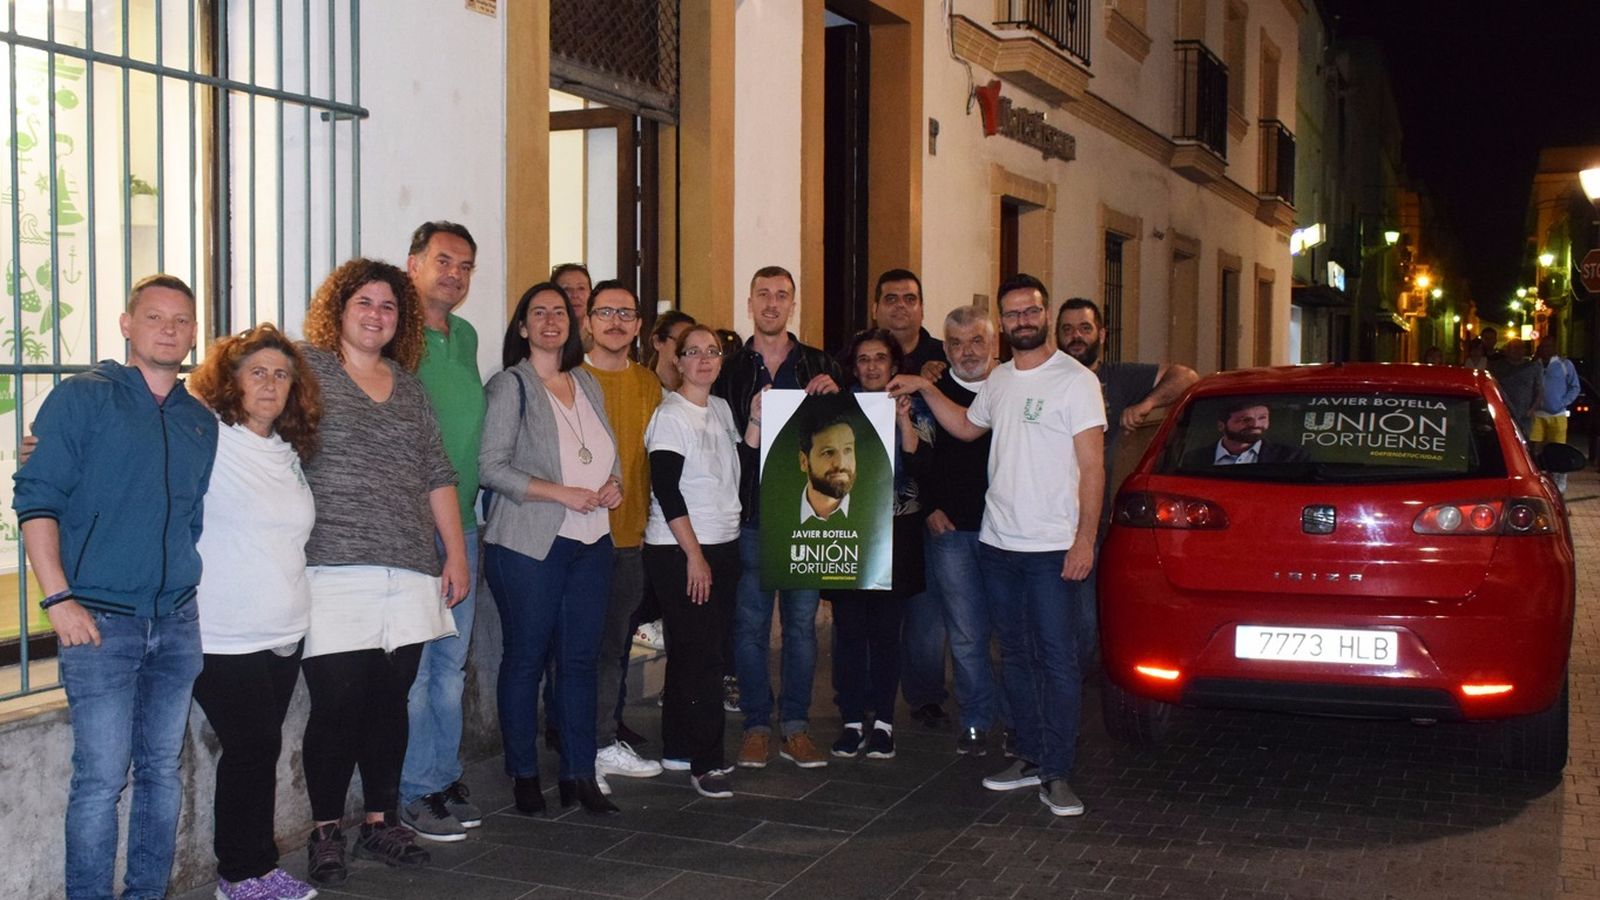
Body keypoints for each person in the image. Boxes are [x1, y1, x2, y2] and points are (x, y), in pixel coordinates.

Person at [14, 274, 219, 899]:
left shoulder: (198, 420)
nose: (169, 329)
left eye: (181, 320)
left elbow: (190, 518)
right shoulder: (82, 398)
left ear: (193, 333)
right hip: (100, 623)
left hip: (177, 622)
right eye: (155, 317)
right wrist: (59, 599)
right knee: (102, 779)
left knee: (163, 773)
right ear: (127, 324)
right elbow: (36, 502)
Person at [890, 273, 1105, 818]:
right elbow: (965, 427)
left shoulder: (1075, 381)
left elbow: (1093, 467)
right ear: (1005, 324)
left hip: (1054, 548)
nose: (1022, 321)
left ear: (1045, 312)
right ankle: (1029, 756)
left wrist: (1084, 540)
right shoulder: (1002, 380)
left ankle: (1057, 770)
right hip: (998, 544)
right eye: (1012, 315)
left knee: (1057, 660)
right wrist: (922, 388)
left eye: (1030, 311)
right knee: (1014, 656)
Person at [297, 258, 469, 885]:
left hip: (410, 570)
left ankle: (380, 822)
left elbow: (437, 474)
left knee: (389, 704)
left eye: (389, 306)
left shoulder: (410, 386)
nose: (376, 315)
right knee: (337, 704)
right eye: (364, 303)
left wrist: (454, 552)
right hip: (332, 569)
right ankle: (323, 833)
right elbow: (236, 402)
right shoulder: (306, 370)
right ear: (338, 309)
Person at [187, 324, 322, 900]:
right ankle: (241, 875)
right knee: (252, 747)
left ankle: (257, 869)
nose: (270, 384)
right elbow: (135, 443)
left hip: (282, 631)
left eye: (281, 374)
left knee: (261, 748)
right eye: (257, 372)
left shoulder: (286, 450)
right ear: (230, 380)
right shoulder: (205, 435)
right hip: (222, 632)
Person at [480, 282, 623, 816]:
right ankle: (522, 773)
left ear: (572, 322)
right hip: (529, 543)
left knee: (580, 661)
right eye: (537, 313)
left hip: (592, 541)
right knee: (527, 658)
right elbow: (490, 468)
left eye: (558, 312)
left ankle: (578, 773)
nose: (549, 320)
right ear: (522, 327)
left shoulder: (587, 382)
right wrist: (558, 491)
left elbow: (607, 453)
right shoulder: (509, 386)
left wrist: (616, 484)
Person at [712, 265, 842, 770]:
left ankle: (797, 726)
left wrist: (838, 397)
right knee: (749, 627)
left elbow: (843, 437)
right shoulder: (728, 369)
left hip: (808, 518)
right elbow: (719, 446)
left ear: (793, 303)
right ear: (750, 303)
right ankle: (756, 725)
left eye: (781, 295)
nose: (771, 303)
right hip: (749, 515)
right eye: (762, 294)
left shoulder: (819, 363)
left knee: (802, 627)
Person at [399, 221, 488, 843]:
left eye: (464, 266)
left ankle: (444, 773)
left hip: (464, 522)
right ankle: (414, 790)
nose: (453, 274)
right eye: (443, 260)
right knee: (416, 668)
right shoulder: (395, 335)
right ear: (413, 264)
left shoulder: (466, 335)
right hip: (408, 527)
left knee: (451, 664)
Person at [1055, 297, 1197, 665]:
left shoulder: (1118, 377)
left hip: (1101, 517)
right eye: (1067, 329)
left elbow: (1186, 377)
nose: (1076, 337)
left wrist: (1147, 403)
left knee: (1094, 612)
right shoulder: (1045, 377)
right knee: (1066, 615)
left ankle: (1079, 680)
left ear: (1101, 334)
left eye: (1084, 328)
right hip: (1051, 517)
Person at [642, 325, 747, 797]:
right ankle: (707, 764)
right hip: (682, 548)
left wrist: (761, 419)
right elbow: (665, 488)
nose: (704, 360)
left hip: (722, 542)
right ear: (677, 361)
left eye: (713, 352)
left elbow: (739, 460)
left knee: (691, 651)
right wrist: (695, 556)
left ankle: (678, 748)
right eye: (693, 352)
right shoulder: (671, 415)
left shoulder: (721, 408)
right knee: (706, 658)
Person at [829, 328, 932, 761]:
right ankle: (852, 720)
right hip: (846, 535)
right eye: (864, 359)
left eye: (880, 358)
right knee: (850, 632)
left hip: (897, 535)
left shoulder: (913, 405)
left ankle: (886, 723)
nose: (872, 366)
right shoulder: (837, 405)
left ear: (894, 365)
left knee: (888, 634)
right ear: (855, 366)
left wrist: (902, 418)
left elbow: (922, 460)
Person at [582, 280, 667, 783]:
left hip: (631, 537)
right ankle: (582, 744)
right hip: (578, 538)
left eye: (627, 313)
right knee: (575, 652)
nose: (616, 321)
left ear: (638, 327)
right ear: (588, 320)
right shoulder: (570, 378)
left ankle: (600, 741)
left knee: (614, 648)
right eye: (606, 311)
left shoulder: (649, 384)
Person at [867, 270, 949, 730]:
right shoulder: (857, 354)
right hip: (874, 509)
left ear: (922, 306)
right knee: (874, 612)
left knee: (925, 609)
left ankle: (925, 695)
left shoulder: (944, 357)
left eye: (910, 298)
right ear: (877, 307)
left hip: (928, 503)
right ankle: (869, 701)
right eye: (891, 298)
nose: (900, 306)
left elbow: (953, 441)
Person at [921, 306, 1004, 756]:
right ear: (945, 347)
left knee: (1011, 632)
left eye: (976, 341)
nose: (966, 351)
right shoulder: (931, 390)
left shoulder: (1010, 384)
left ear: (994, 343)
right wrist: (929, 507)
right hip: (951, 532)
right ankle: (976, 719)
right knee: (967, 634)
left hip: (1007, 533)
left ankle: (1015, 720)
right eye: (956, 343)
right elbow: (916, 454)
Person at [1178, 399, 1309, 467]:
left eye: (1262, 418)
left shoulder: (1291, 458)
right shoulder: (1193, 459)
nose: (1255, 425)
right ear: (1221, 426)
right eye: (1245, 420)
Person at [1533, 339, 1581, 490]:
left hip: (1557, 414)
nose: (1546, 350)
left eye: (1549, 346)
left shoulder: (1564, 365)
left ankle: (1559, 487)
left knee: (1558, 450)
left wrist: (1563, 402)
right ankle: (1538, 482)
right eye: (1543, 347)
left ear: (1555, 348)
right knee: (1534, 449)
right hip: (1536, 415)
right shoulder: (1534, 365)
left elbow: (1575, 386)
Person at [1488, 338, 1542, 438]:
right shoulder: (1497, 367)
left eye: (1521, 348)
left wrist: (1531, 411)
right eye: (1515, 348)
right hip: (1502, 414)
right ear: (1507, 350)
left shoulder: (1532, 368)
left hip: (1524, 417)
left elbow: (1538, 391)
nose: (1518, 351)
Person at [645, 310, 696, 393]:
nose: (686, 349)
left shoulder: (697, 392)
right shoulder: (643, 389)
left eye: (693, 345)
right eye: (680, 341)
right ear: (657, 342)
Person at [553, 263, 594, 351]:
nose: (575, 295)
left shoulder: (600, 337)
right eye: (567, 289)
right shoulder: (549, 334)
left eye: (581, 288)